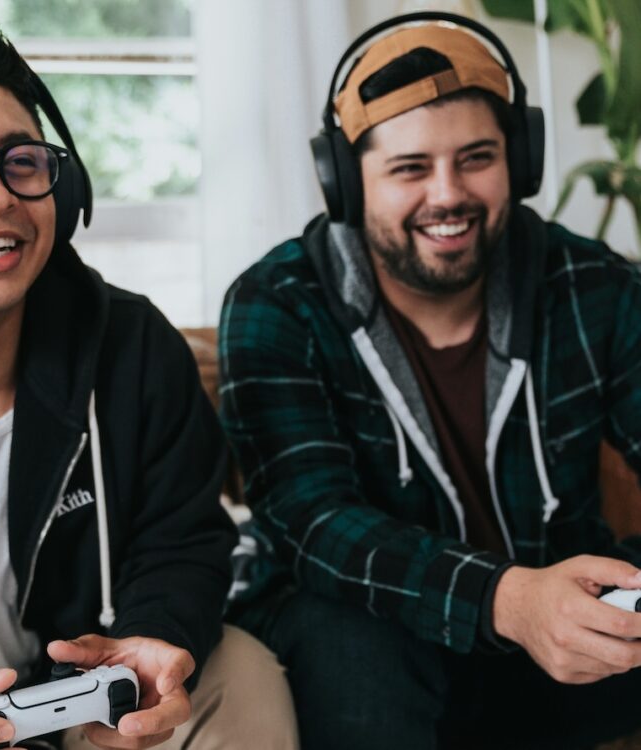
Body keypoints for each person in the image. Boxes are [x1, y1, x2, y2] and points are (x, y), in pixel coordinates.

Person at [219, 12, 641, 750]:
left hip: (558, 639)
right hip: (370, 638)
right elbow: (313, 521)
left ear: (520, 161)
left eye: (476, 158)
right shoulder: (277, 304)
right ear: (345, 182)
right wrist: (504, 598)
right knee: (353, 645)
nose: (448, 196)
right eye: (410, 169)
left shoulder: (593, 285)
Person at [0, 12, 298, 750]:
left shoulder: (130, 344)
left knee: (241, 672)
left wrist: (154, 639)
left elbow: (183, 540)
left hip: (73, 708)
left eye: (21, 163)